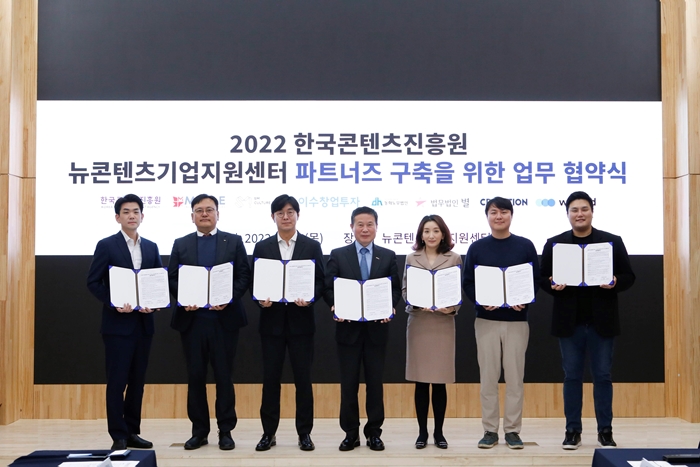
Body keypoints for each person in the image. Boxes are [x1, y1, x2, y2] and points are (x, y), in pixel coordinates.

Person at [540, 191, 635, 450]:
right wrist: (552, 284)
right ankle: (572, 431)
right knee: (572, 377)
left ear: (592, 211)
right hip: (568, 323)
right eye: (574, 210)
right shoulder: (555, 244)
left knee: (602, 376)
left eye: (584, 209)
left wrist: (615, 281)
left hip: (601, 322)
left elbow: (629, 276)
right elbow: (542, 278)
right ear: (567, 214)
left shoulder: (611, 242)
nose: (579, 214)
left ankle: (605, 431)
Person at [168, 194, 251, 451]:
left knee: (224, 376)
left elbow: (243, 275)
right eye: (199, 210)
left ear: (217, 214)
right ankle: (199, 431)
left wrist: (228, 298)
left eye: (209, 210)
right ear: (192, 215)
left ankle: (225, 431)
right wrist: (185, 299)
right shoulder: (181, 243)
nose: (204, 214)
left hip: (224, 321)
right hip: (193, 321)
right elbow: (172, 278)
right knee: (195, 377)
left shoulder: (233, 241)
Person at [462, 197, 539, 450]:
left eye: (504, 212)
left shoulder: (525, 246)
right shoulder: (477, 247)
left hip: (517, 321)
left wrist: (524, 300)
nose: (499, 216)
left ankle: (513, 431)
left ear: (511, 216)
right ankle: (490, 430)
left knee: (515, 378)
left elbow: (534, 280)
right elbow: (468, 282)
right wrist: (481, 300)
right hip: (486, 320)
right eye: (494, 212)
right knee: (488, 378)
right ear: (487, 216)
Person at [86, 194, 162, 450]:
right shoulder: (107, 245)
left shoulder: (151, 247)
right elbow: (93, 281)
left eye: (136, 211)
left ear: (142, 216)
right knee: (117, 382)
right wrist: (114, 302)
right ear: (118, 217)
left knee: (137, 383)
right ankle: (118, 435)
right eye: (126, 212)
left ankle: (132, 432)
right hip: (117, 326)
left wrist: (155, 303)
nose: (132, 215)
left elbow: (157, 282)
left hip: (144, 325)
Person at [250, 194, 325, 452]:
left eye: (290, 212)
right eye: (280, 213)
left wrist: (310, 298)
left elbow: (320, 281)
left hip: (301, 324)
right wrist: (261, 300)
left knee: (303, 381)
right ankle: (268, 433)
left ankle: (304, 433)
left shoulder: (311, 246)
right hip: (271, 324)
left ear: (298, 215)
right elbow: (255, 281)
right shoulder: (262, 247)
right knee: (270, 380)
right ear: (273, 217)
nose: (285, 217)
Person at [324, 206, 401, 452]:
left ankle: (374, 433)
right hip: (348, 330)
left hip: (377, 330)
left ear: (376, 227)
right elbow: (328, 287)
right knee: (348, 385)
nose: (365, 229)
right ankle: (350, 433)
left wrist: (390, 307)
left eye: (370, 224)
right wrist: (334, 305)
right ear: (352, 227)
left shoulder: (388, 256)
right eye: (360, 224)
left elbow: (395, 289)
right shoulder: (338, 255)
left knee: (375, 384)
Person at [403, 215, 462, 450]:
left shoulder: (454, 258)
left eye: (436, 231)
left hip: (442, 324)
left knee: (439, 382)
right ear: (421, 234)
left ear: (443, 234)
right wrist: (416, 302)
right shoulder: (411, 258)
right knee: (420, 382)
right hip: (420, 322)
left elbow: (457, 290)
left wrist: (451, 308)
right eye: (426, 231)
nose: (431, 235)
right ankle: (422, 433)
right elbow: (405, 289)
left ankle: (439, 432)